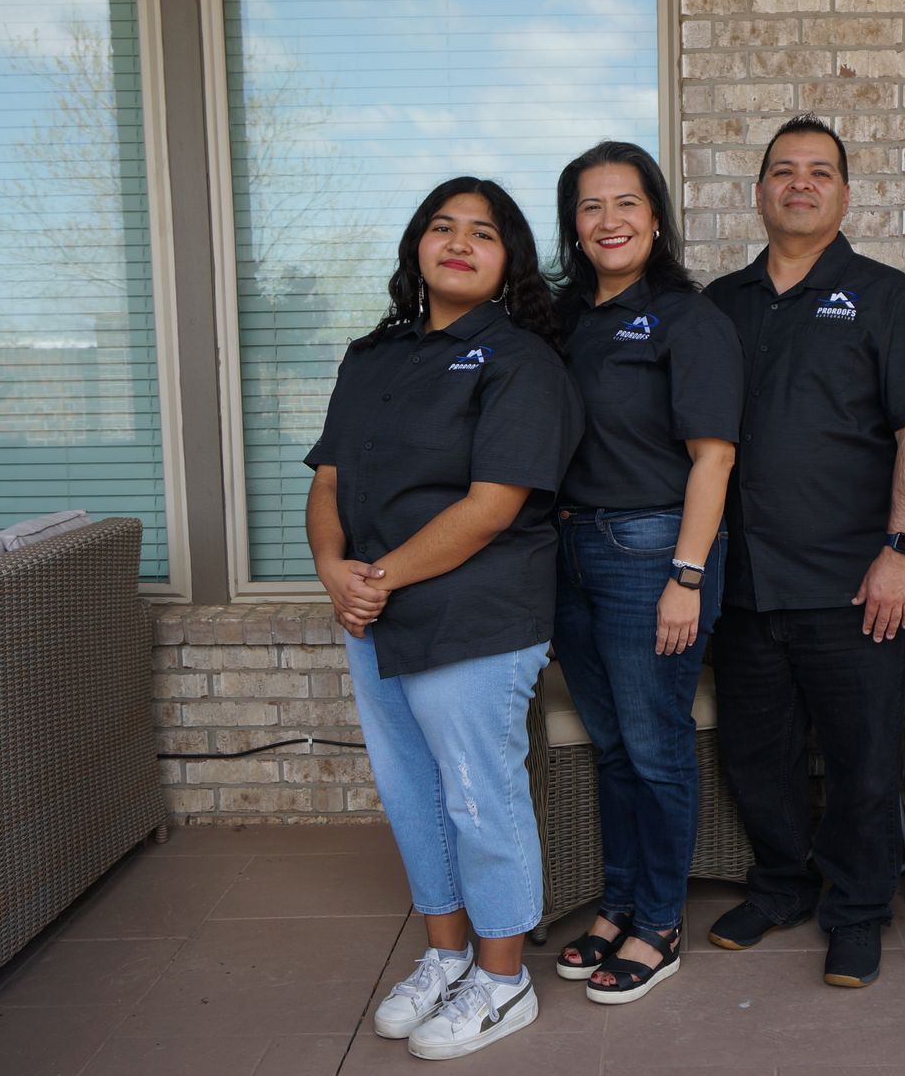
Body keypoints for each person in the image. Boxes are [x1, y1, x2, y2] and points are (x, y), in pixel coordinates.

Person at [305, 176, 582, 1060]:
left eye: (484, 234)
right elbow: (329, 480)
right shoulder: (371, 357)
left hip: (477, 612)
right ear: (415, 247)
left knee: (476, 795)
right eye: (441, 227)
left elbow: (493, 504)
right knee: (412, 795)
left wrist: (372, 576)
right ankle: (448, 957)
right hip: (375, 612)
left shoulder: (522, 362)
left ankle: (505, 982)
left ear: (510, 264)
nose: (458, 242)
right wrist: (330, 568)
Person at [702, 114, 905, 989]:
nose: (800, 183)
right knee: (756, 751)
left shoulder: (885, 296)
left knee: (861, 760)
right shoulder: (719, 304)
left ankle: (856, 909)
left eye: (819, 172)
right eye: (783, 170)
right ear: (759, 191)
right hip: (742, 583)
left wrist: (900, 550)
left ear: (845, 194)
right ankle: (781, 886)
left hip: (855, 582)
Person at [545, 142, 742, 1004]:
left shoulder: (685, 317)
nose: (610, 220)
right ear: (574, 226)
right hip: (569, 551)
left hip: (653, 549)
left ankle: (659, 921)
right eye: (592, 207)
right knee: (613, 743)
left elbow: (714, 456)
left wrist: (686, 576)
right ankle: (618, 900)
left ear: (656, 217)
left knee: (657, 746)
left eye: (627, 203)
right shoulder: (557, 319)